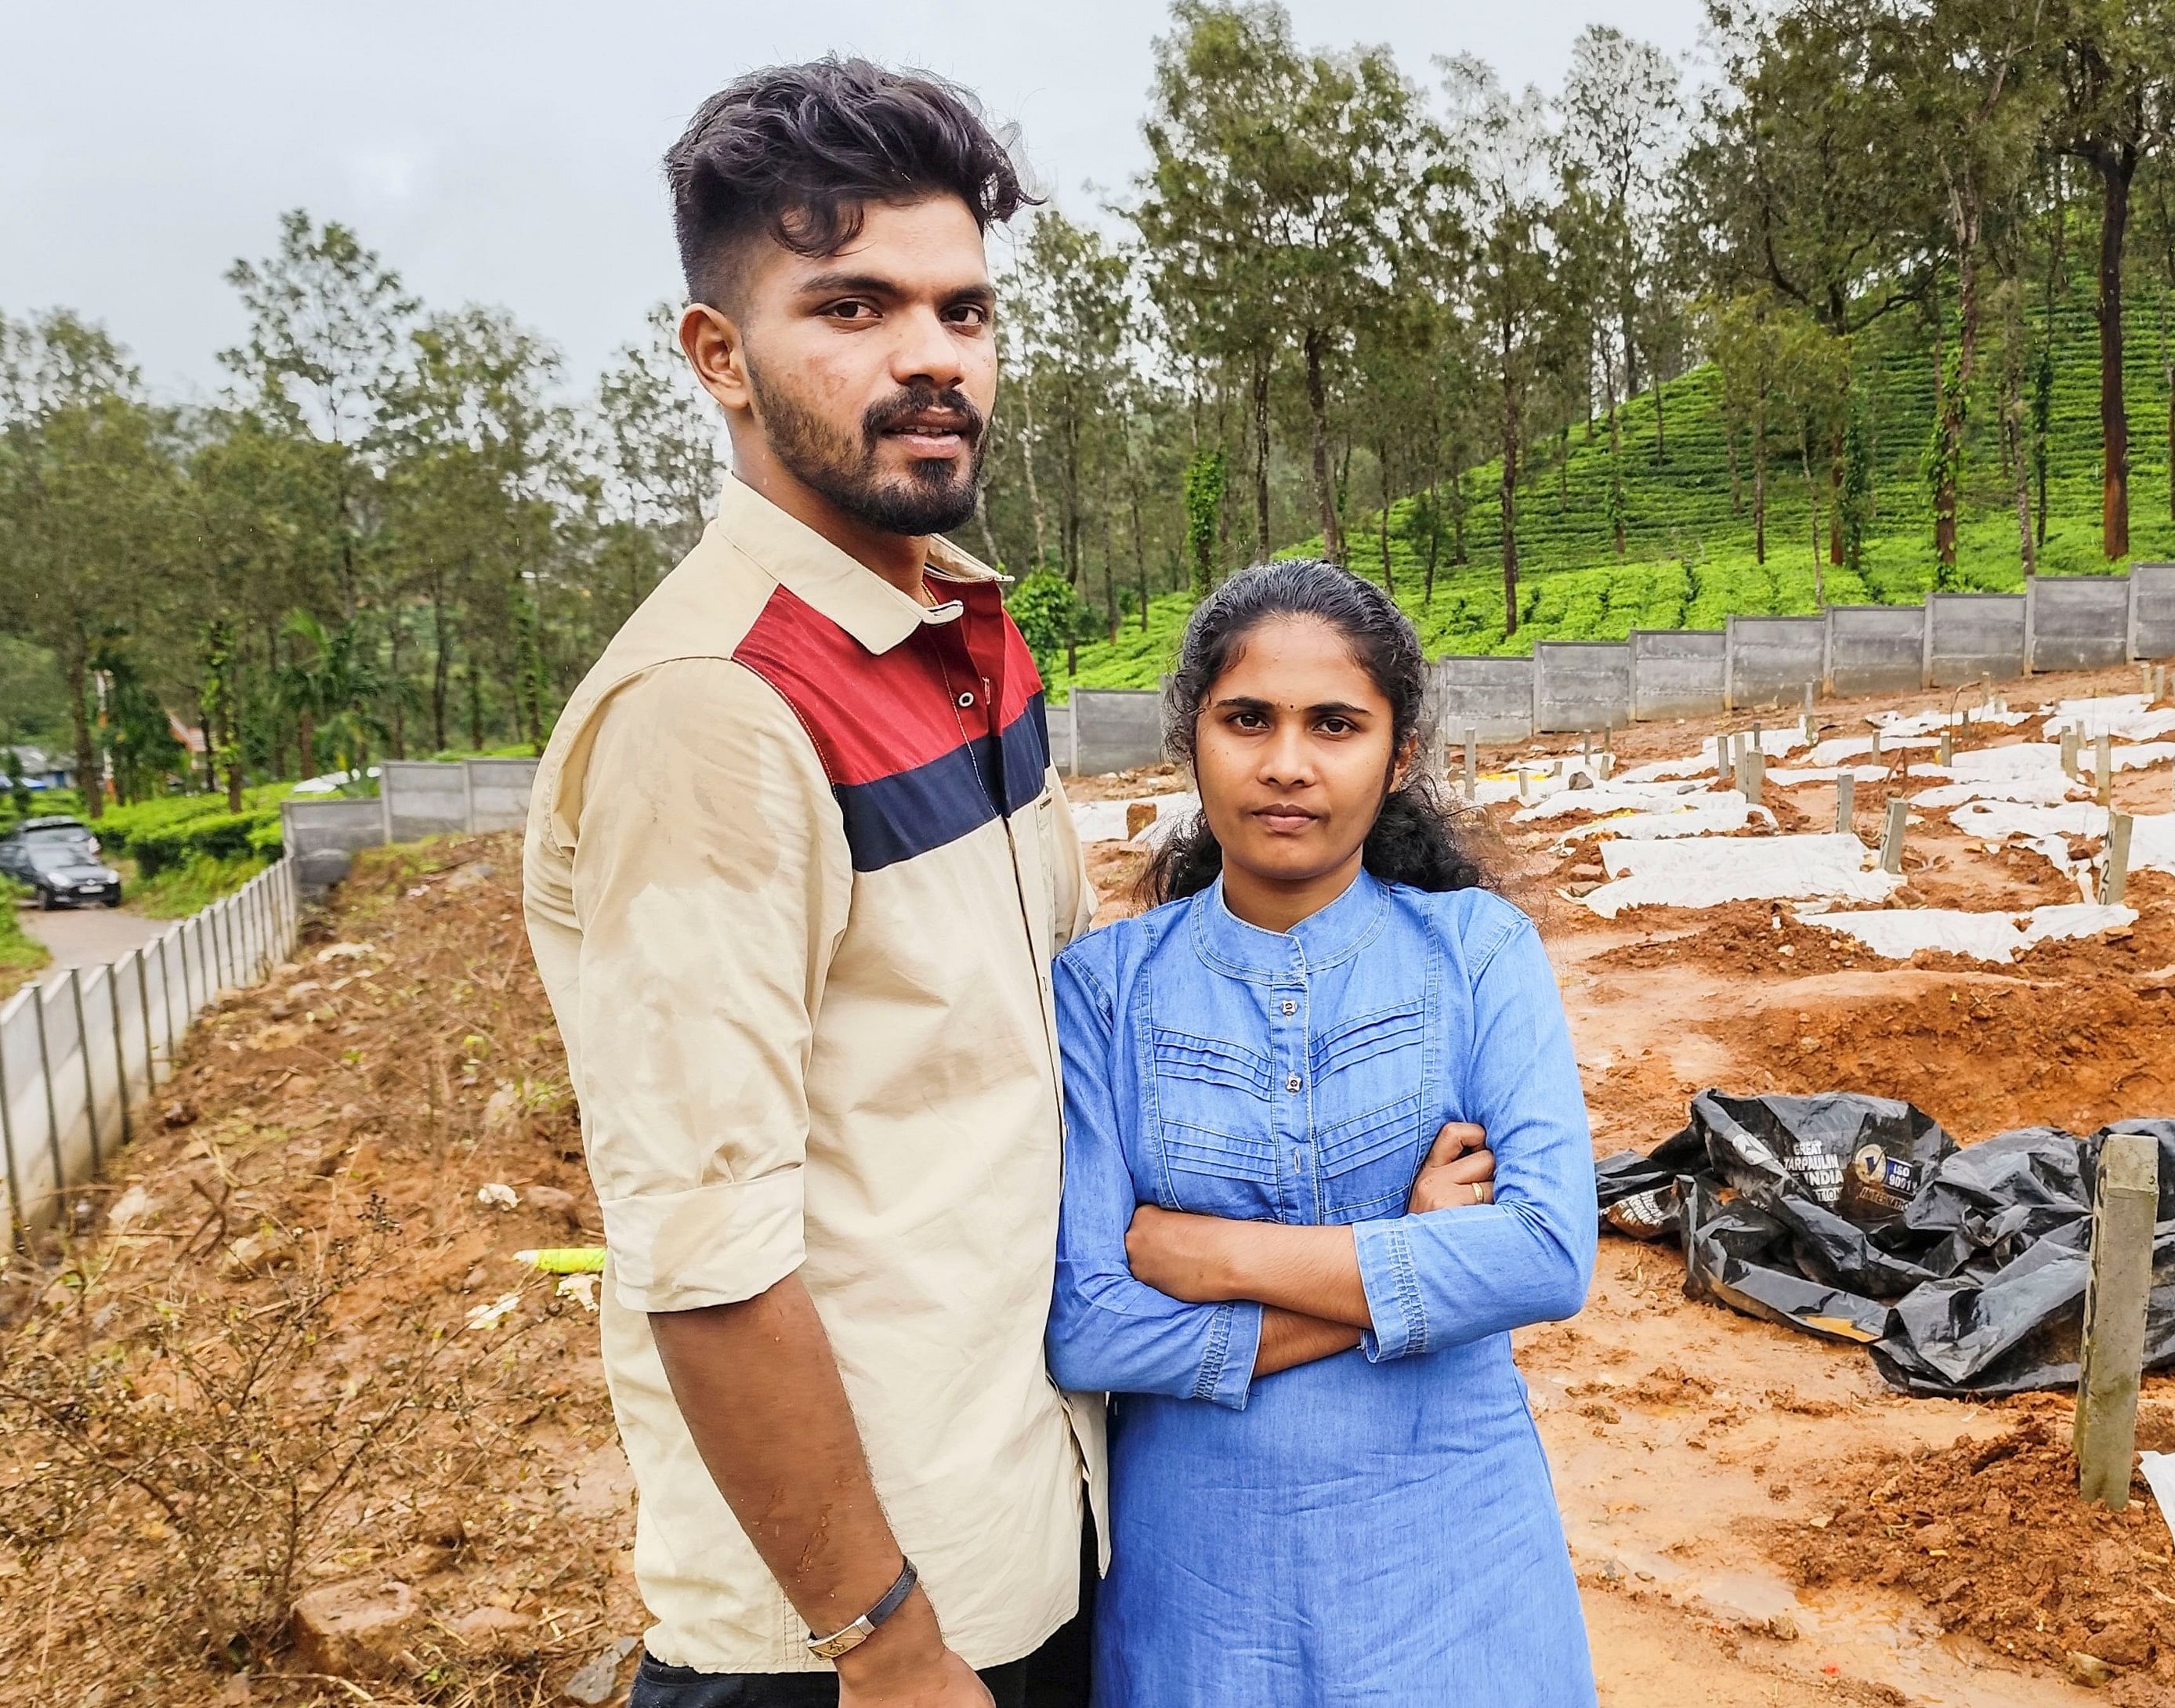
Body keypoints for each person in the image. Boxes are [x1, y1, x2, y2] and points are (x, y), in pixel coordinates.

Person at [524, 58, 1099, 1708]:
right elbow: (706, 1257)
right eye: (851, 307)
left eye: (963, 310)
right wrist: (889, 1647)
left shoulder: (966, 639)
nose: (932, 357)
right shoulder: (714, 710)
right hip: (848, 1644)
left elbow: (1015, 1060)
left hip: (1026, 1533)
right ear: (719, 355)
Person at [1048, 560, 1599, 1707]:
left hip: (1459, 1573)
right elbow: (1086, 1327)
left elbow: (1546, 1254)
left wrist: (1213, 1256)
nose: (1287, 763)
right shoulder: (1103, 990)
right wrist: (1406, 1255)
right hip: (1203, 1596)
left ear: (1396, 758)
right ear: (1191, 739)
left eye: (1335, 725)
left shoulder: (1479, 953)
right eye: (1247, 719)